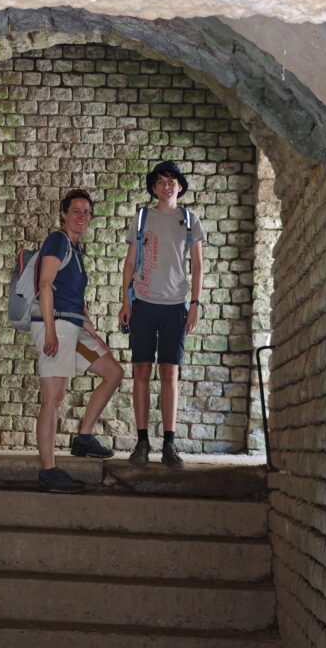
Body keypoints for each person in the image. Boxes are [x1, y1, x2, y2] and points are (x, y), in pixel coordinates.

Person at [32, 189, 124, 493]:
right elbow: (45, 284)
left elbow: (78, 302)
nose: (82, 216)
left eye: (86, 212)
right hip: (55, 322)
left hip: (74, 325)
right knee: (54, 398)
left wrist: (95, 335)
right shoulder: (57, 241)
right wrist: (50, 330)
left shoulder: (77, 250)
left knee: (113, 373)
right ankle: (48, 471)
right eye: (76, 211)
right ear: (64, 214)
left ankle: (83, 438)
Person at [118, 161, 205, 469]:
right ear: (153, 187)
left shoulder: (189, 219)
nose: (167, 185)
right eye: (161, 181)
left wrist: (194, 304)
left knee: (170, 374)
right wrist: (125, 301)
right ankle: (142, 441)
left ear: (180, 186)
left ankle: (169, 443)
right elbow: (130, 263)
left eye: (172, 181)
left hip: (174, 306)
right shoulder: (142, 217)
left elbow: (197, 265)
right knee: (141, 372)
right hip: (143, 302)